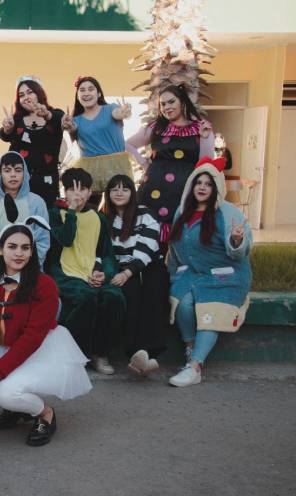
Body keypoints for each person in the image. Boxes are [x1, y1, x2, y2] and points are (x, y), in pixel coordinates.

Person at [0, 223, 91, 446]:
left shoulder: (45, 286)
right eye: (12, 246)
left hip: (38, 350)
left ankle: (45, 414)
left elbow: (33, 337)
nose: (19, 253)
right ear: (0, 249)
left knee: (6, 392)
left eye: (25, 248)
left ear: (32, 251)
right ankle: (15, 410)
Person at [167, 157, 252, 387]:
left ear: (217, 187)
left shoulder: (228, 212)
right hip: (192, 275)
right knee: (182, 304)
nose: (202, 187)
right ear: (191, 186)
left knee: (210, 311)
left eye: (208, 183)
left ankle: (195, 367)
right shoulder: (182, 211)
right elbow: (174, 251)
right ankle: (191, 351)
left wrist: (236, 239)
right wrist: (174, 276)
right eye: (198, 182)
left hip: (225, 277)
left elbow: (239, 252)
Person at [47, 168, 124, 375]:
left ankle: (99, 353)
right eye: (72, 188)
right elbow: (65, 238)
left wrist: (104, 274)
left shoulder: (98, 218)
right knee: (86, 297)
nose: (77, 194)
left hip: (91, 273)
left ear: (90, 192)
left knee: (114, 297)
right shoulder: (55, 214)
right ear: (64, 191)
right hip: (64, 274)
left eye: (83, 189)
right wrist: (71, 212)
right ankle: (75, 354)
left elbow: (106, 254)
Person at [126, 84, 214, 240]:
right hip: (153, 191)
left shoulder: (200, 128)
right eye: (163, 104)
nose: (167, 107)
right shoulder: (156, 128)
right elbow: (128, 144)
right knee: (149, 237)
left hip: (184, 193)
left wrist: (205, 137)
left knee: (180, 239)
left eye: (171, 102)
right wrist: (144, 164)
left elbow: (206, 162)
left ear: (182, 102)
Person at [101, 174, 167, 375]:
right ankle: (136, 353)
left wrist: (128, 272)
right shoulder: (104, 219)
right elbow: (104, 251)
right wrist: (120, 273)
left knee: (153, 287)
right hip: (121, 270)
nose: (119, 193)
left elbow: (146, 248)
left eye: (125, 189)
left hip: (148, 265)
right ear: (108, 194)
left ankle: (152, 352)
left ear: (132, 192)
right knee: (130, 294)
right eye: (114, 189)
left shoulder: (145, 214)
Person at [0, 151, 50, 286]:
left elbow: (43, 240)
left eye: (18, 170)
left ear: (25, 174)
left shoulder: (37, 202)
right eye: (7, 170)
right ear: (0, 174)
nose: (13, 175)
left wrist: (28, 266)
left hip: (29, 264)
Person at [62, 76, 134, 207]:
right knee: (89, 208)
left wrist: (124, 112)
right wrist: (67, 126)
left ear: (99, 93)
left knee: (117, 207)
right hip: (90, 168)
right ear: (78, 96)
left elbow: (118, 113)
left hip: (115, 167)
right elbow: (71, 127)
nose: (87, 93)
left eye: (91, 89)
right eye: (82, 90)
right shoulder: (76, 120)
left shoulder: (111, 108)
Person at [0, 76, 66, 208]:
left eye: (30, 92)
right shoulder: (16, 119)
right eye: (21, 95)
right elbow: (4, 135)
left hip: (48, 183)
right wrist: (8, 128)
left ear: (39, 93)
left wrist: (46, 114)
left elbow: (59, 119)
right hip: (19, 183)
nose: (26, 97)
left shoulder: (54, 115)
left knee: (47, 221)